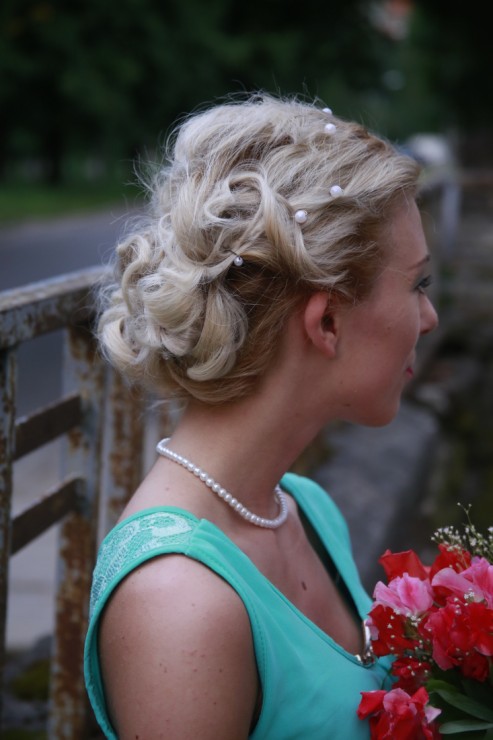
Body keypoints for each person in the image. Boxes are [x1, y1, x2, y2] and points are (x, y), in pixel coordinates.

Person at [84, 92, 438, 739]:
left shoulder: (305, 509)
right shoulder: (179, 604)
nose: (429, 318)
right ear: (326, 322)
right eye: (417, 284)